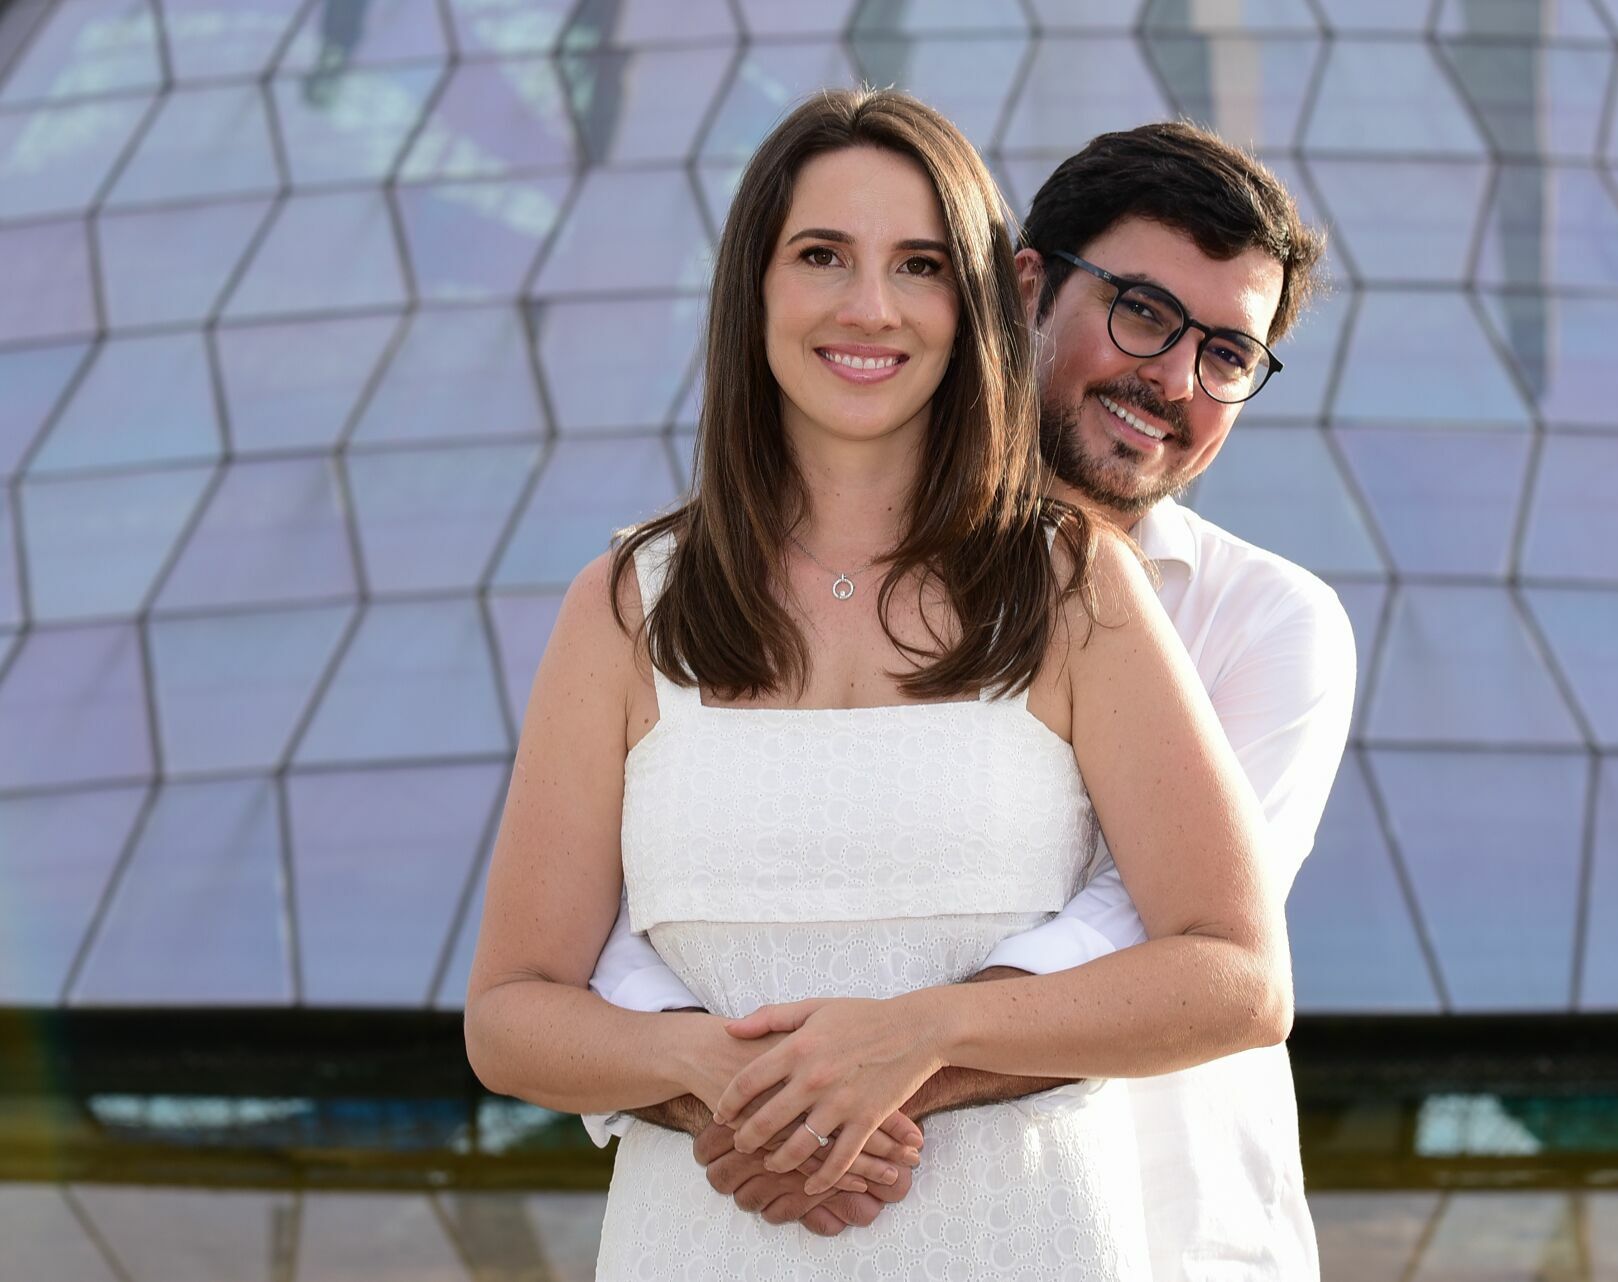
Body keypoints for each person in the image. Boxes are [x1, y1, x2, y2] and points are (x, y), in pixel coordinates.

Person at [463, 89, 1300, 1279]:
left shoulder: (1076, 587)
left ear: (978, 303)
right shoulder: (627, 604)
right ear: (754, 287)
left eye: (919, 265)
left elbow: (1236, 974)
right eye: (822, 255)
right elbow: (511, 1009)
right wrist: (704, 1072)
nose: (870, 306)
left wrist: (923, 1033)